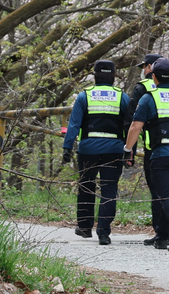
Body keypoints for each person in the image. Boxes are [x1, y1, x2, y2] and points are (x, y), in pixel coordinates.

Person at [125, 57, 169, 252]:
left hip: (162, 154)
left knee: (165, 196)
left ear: (153, 77)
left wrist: (127, 149)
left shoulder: (149, 98)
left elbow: (135, 126)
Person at [62, 59, 131, 244]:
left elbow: (74, 124)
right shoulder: (122, 97)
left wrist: (67, 147)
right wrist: (129, 150)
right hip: (114, 149)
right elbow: (130, 126)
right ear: (113, 77)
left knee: (86, 186)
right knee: (109, 189)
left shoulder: (85, 96)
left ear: (95, 75)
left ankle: (85, 227)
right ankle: (104, 233)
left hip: (88, 149)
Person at [129, 53, 164, 245]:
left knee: (156, 190)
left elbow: (133, 122)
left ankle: (161, 232)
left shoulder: (142, 88)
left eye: (144, 66)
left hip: (154, 147)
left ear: (151, 67)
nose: (143, 70)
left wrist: (130, 149)